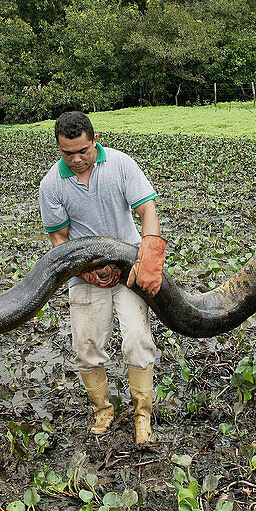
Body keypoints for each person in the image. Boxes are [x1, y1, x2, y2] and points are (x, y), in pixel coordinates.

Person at [39, 111, 165, 444]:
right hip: (84, 273)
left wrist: (150, 252)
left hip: (128, 268)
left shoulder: (121, 165)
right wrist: (87, 271)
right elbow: (58, 239)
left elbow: (147, 210)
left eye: (83, 150)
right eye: (68, 153)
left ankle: (142, 416)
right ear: (59, 148)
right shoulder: (52, 184)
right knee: (87, 346)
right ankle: (103, 411)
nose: (77, 159)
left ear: (95, 140)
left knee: (138, 341)